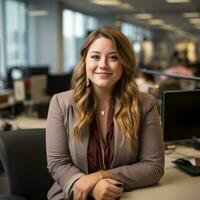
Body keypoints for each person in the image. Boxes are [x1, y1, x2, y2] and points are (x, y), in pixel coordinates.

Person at [46, 26, 164, 200]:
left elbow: (154, 167)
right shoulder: (60, 103)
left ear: (124, 62)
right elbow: (58, 164)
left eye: (113, 57)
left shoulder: (145, 104)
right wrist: (92, 189)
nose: (103, 65)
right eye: (95, 57)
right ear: (85, 61)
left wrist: (102, 176)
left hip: (125, 196)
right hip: (72, 196)